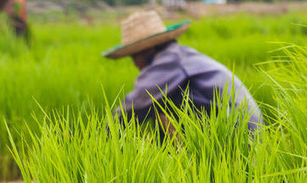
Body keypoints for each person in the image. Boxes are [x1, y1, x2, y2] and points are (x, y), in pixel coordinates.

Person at [104, 10, 263, 133]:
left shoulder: (169, 62)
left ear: (148, 50)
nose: (135, 65)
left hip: (239, 135)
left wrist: (102, 142)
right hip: (236, 129)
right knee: (161, 108)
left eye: (134, 57)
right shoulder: (180, 56)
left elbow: (132, 108)